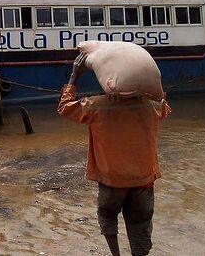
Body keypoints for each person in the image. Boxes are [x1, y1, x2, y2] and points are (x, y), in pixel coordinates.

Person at [58, 52, 171, 256]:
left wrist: (74, 77)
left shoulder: (96, 106)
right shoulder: (151, 106)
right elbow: (164, 107)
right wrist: (154, 90)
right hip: (143, 178)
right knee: (141, 224)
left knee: (108, 215)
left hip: (112, 178)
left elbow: (65, 108)